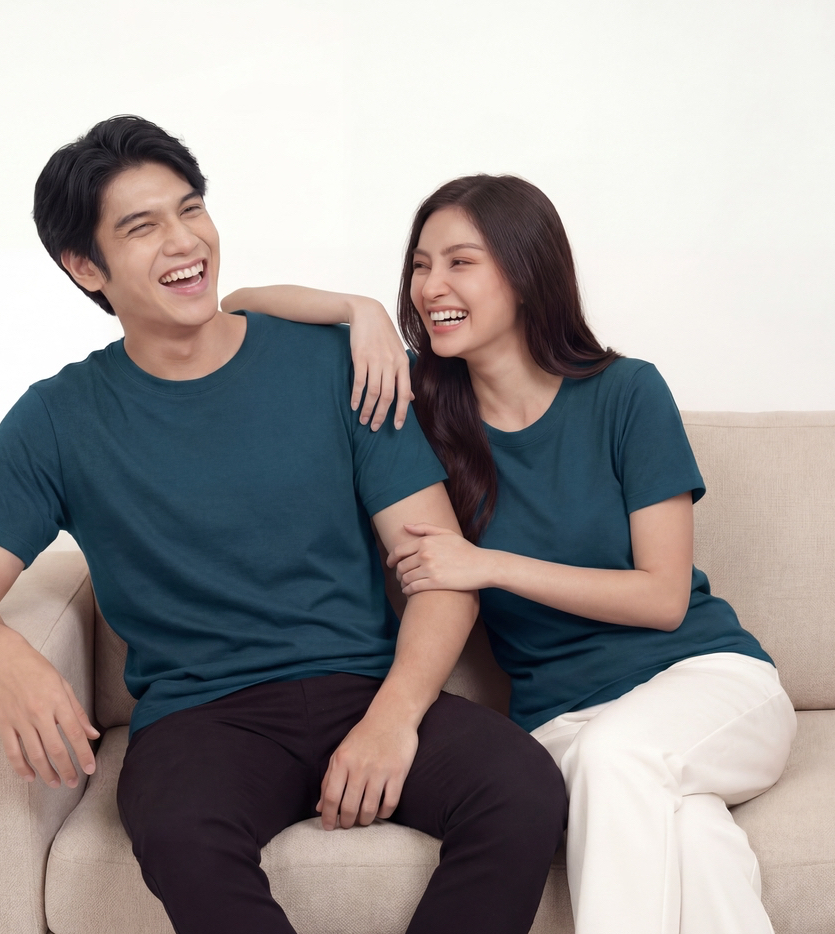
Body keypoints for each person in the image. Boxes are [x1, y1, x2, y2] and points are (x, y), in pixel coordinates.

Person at [0, 126, 567, 934]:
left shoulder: (341, 365)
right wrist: (4, 653)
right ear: (85, 267)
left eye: (191, 210)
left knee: (524, 789)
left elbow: (440, 571)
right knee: (180, 834)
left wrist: (393, 719)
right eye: (142, 227)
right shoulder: (57, 419)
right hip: (201, 719)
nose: (184, 242)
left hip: (363, 686)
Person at [223, 173, 797, 934]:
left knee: (620, 760)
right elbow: (240, 306)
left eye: (461, 262)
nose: (431, 286)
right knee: (691, 837)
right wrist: (358, 310)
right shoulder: (417, 411)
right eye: (420, 265)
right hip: (561, 724)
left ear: (526, 274)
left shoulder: (626, 393)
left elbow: (663, 598)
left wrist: (488, 564)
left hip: (707, 685)